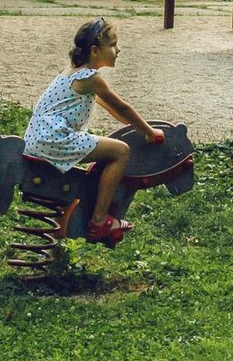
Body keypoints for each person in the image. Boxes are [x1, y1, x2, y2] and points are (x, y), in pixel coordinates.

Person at [24, 17, 164, 243]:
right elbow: (122, 107)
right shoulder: (91, 78)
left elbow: (113, 109)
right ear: (95, 50)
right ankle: (99, 220)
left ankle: (73, 221)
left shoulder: (73, 71)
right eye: (113, 44)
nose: (119, 50)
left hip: (40, 137)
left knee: (102, 154)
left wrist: (136, 128)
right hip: (56, 138)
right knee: (121, 152)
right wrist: (150, 131)